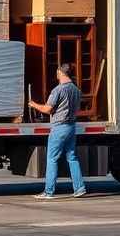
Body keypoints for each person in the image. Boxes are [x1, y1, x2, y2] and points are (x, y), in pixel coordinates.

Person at [28, 63, 87, 199]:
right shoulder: (76, 90)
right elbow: (77, 109)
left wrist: (33, 104)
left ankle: (49, 191)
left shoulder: (58, 90)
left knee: (52, 159)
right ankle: (79, 188)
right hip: (71, 127)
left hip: (59, 127)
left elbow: (47, 109)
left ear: (60, 72)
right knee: (72, 158)